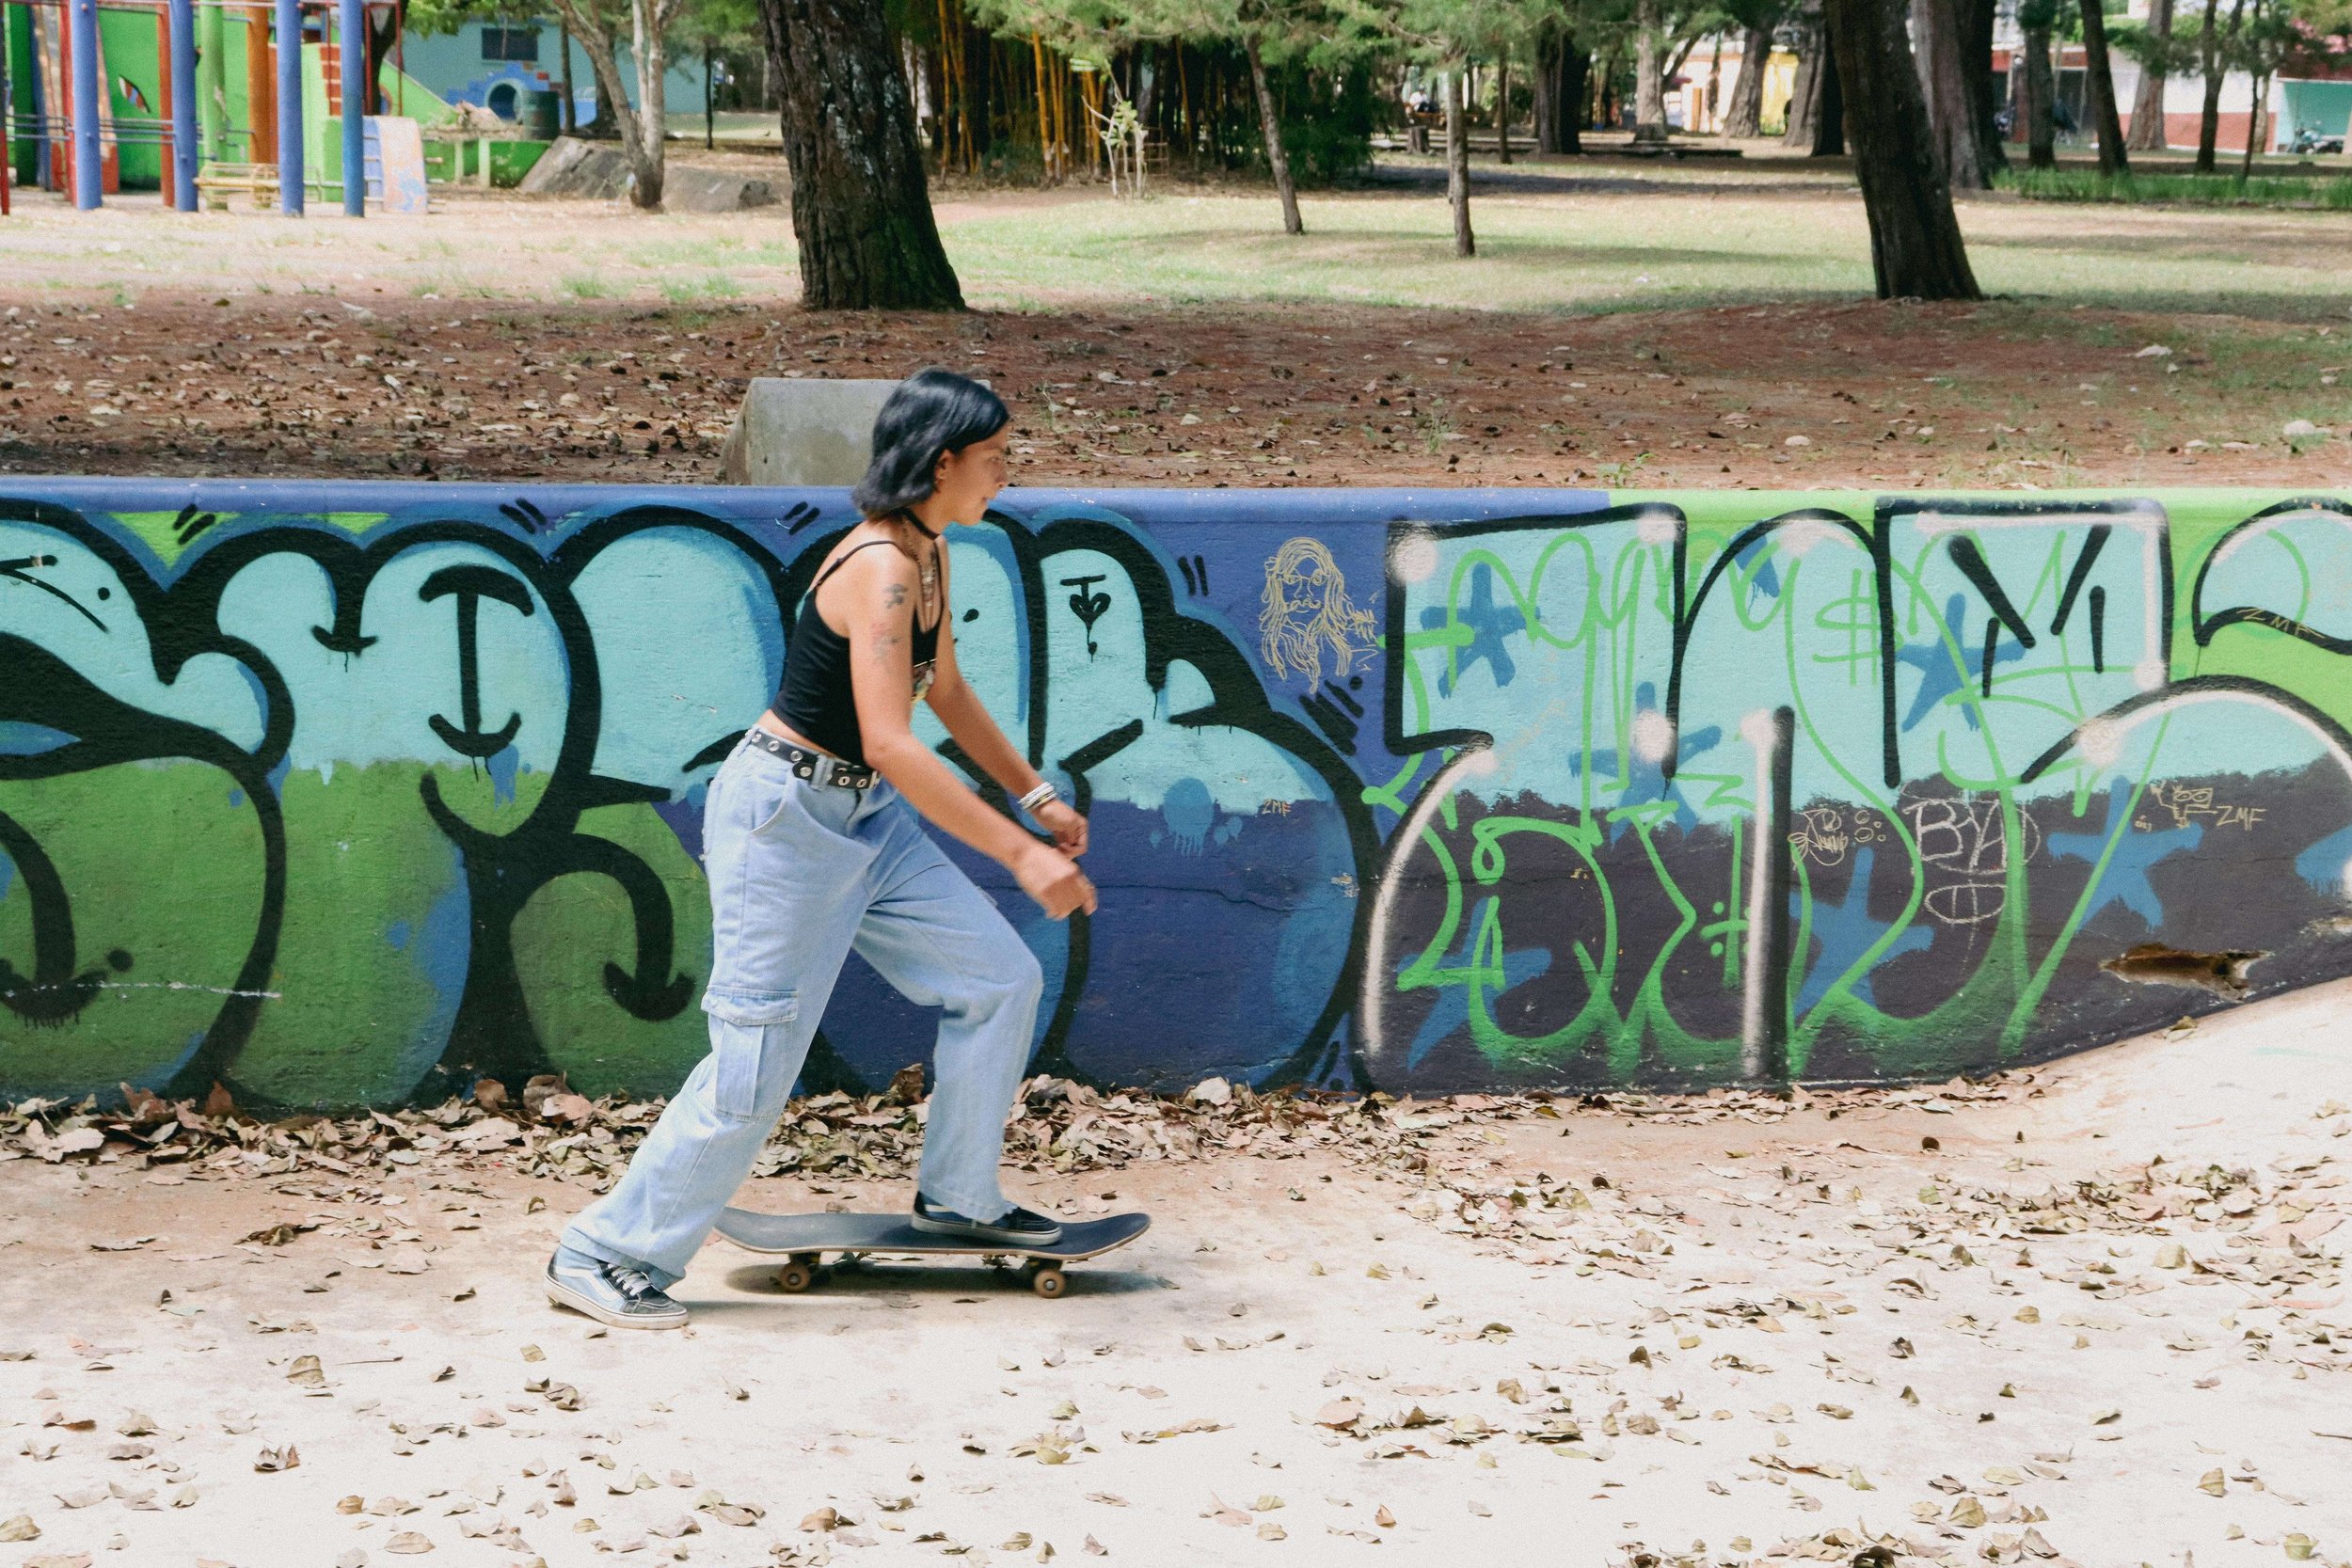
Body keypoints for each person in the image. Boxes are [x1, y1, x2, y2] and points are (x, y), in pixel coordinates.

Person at [546, 369, 1097, 1329]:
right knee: (754, 1065)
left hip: (869, 821)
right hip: (784, 823)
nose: (1006, 474)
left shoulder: (928, 554)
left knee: (998, 978)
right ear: (940, 463)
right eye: (995, 457)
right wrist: (1019, 854)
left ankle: (958, 1196)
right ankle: (602, 1252)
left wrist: (1036, 793)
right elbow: (889, 735)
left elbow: (947, 692)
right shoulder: (878, 568)